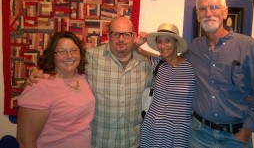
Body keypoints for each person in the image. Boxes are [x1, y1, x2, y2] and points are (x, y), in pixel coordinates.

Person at [27, 17, 152, 148]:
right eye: (115, 34)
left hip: (132, 144)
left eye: (126, 34)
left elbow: (167, 63)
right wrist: (40, 71)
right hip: (97, 143)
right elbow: (65, 61)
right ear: (108, 36)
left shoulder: (145, 64)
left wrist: (141, 50)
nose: (121, 39)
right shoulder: (90, 57)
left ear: (134, 37)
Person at [182, 0, 254, 148]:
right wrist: (139, 49)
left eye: (214, 7)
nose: (208, 13)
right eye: (202, 9)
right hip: (198, 135)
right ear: (198, 15)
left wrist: (247, 130)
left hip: (235, 138)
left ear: (225, 12)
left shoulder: (248, 46)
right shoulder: (194, 47)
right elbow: (171, 59)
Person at [17, 31, 95, 148]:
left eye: (74, 50)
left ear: (80, 53)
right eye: (62, 51)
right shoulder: (40, 86)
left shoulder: (82, 78)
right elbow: (25, 141)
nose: (69, 56)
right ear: (52, 55)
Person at [139, 23, 195, 148]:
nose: (163, 45)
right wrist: (140, 41)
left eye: (167, 41)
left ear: (176, 43)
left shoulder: (191, 68)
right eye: (159, 42)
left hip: (178, 132)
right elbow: (136, 49)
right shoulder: (157, 63)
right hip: (152, 128)